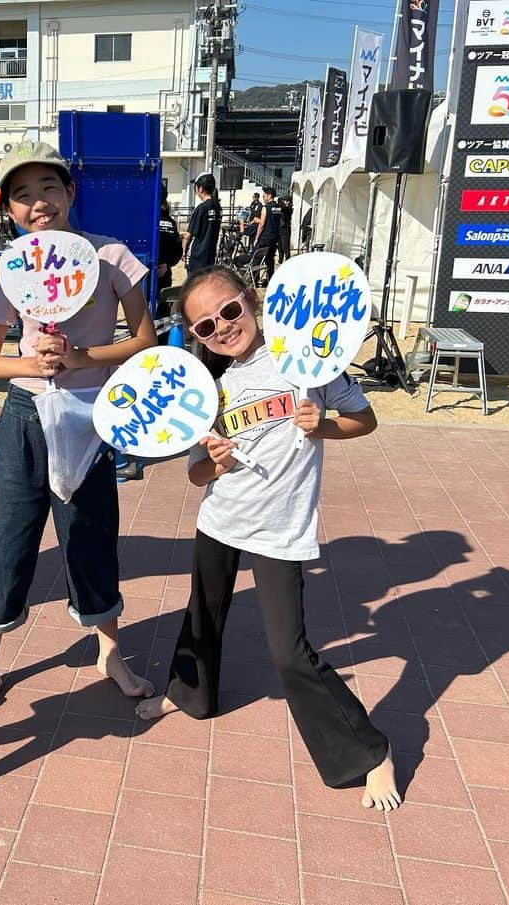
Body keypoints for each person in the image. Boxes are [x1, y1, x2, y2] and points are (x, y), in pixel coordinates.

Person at [136, 266, 401, 812]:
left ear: (251, 302)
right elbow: (194, 475)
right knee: (202, 615)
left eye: (230, 311)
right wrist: (213, 463)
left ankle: (370, 752)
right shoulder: (210, 387)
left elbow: (364, 420)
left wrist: (321, 423)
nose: (223, 328)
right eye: (206, 326)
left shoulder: (309, 360)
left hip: (281, 527)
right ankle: (188, 694)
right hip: (221, 519)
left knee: (289, 654)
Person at [0, 141, 158, 708]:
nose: (37, 202)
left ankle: (109, 651)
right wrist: (32, 363)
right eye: (22, 194)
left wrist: (80, 358)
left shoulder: (111, 255)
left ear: (70, 192)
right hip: (24, 412)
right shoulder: (13, 268)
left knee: (90, 532)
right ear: (8, 208)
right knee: (8, 536)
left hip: (90, 413)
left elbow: (142, 340)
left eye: (48, 188)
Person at [182, 174, 220, 276]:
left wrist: (184, 252)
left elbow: (188, 235)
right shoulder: (217, 208)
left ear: (200, 188)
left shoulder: (201, 208)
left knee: (193, 285)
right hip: (210, 256)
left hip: (197, 256)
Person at [156, 183, 182, 296]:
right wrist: (167, 264)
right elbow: (178, 250)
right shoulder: (171, 223)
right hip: (165, 274)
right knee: (163, 309)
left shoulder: (144, 221)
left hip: (144, 274)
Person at [253, 186, 282, 285]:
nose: (263, 197)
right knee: (270, 260)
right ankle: (270, 280)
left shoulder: (266, 207)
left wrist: (256, 238)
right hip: (274, 237)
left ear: (269, 196)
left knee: (257, 258)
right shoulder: (278, 207)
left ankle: (254, 280)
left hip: (265, 237)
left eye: (264, 195)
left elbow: (262, 224)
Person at [278, 194, 293, 263]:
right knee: (280, 247)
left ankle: (287, 261)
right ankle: (280, 261)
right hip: (280, 229)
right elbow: (279, 202)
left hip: (286, 229)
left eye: (288, 201)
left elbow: (283, 208)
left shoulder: (289, 208)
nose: (286, 202)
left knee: (285, 247)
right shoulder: (283, 206)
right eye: (285, 201)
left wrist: (282, 202)